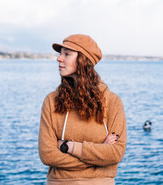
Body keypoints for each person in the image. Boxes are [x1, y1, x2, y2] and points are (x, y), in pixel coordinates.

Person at [39, 34, 127, 185]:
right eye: (60, 53)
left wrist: (69, 147)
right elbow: (47, 155)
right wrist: (99, 158)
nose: (59, 58)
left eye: (67, 54)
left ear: (83, 61)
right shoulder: (51, 101)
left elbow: (116, 153)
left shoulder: (113, 102)